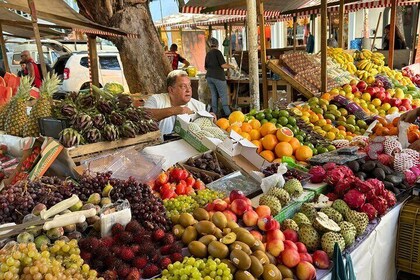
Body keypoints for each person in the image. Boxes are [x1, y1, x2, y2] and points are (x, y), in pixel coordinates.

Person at [144, 70, 205, 136]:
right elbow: (144, 116)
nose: (188, 90)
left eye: (189, 85)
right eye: (183, 86)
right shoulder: (156, 100)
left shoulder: (199, 106)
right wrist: (175, 110)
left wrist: (210, 119)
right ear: (171, 90)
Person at [205, 37, 234, 118]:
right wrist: (232, 66)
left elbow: (206, 67)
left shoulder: (208, 53)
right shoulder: (218, 52)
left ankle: (214, 115)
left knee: (214, 96)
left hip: (209, 77)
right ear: (217, 44)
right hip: (218, 77)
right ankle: (228, 115)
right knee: (223, 96)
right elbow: (223, 65)